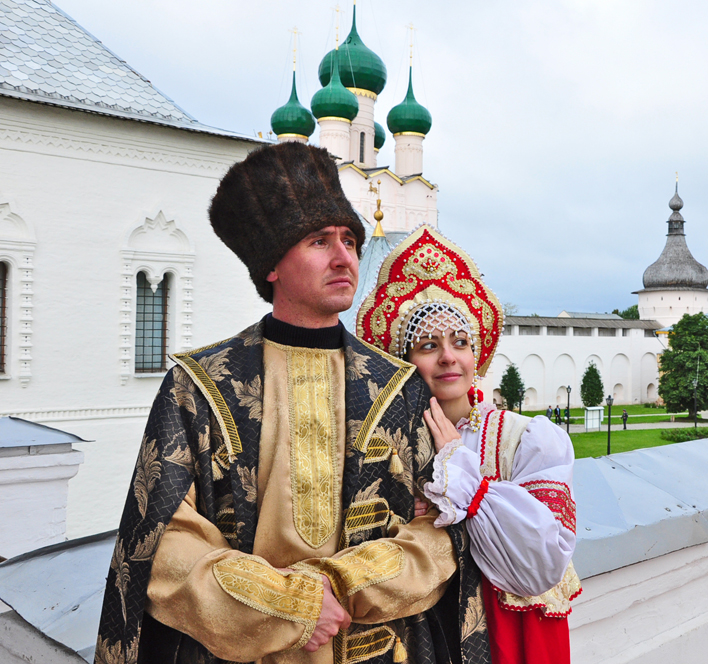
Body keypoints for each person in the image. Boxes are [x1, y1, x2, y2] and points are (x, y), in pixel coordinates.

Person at [95, 143, 489, 664]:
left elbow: (441, 536)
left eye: (349, 240)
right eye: (319, 241)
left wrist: (344, 584)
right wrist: (290, 603)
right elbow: (163, 546)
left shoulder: (400, 387)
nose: (345, 256)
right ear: (272, 265)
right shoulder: (197, 387)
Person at [357, 226, 581, 664]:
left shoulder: (522, 439)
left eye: (460, 341)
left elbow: (542, 562)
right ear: (405, 361)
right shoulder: (386, 447)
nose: (448, 357)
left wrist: (466, 485)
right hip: (420, 630)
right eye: (427, 345)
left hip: (506, 630)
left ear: (477, 353)